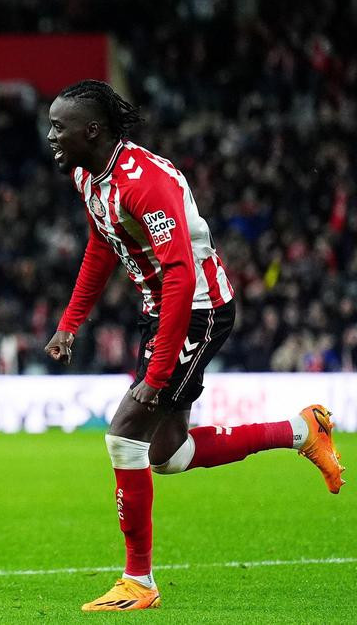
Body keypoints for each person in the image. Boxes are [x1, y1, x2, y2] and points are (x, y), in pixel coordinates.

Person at [44, 80, 345, 612]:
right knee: (168, 455)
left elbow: (182, 274)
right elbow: (100, 246)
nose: (52, 136)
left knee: (124, 435)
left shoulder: (146, 182)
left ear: (92, 130)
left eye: (59, 127)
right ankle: (303, 429)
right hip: (160, 310)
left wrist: (156, 377)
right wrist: (71, 323)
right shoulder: (86, 177)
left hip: (197, 309)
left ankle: (139, 581)